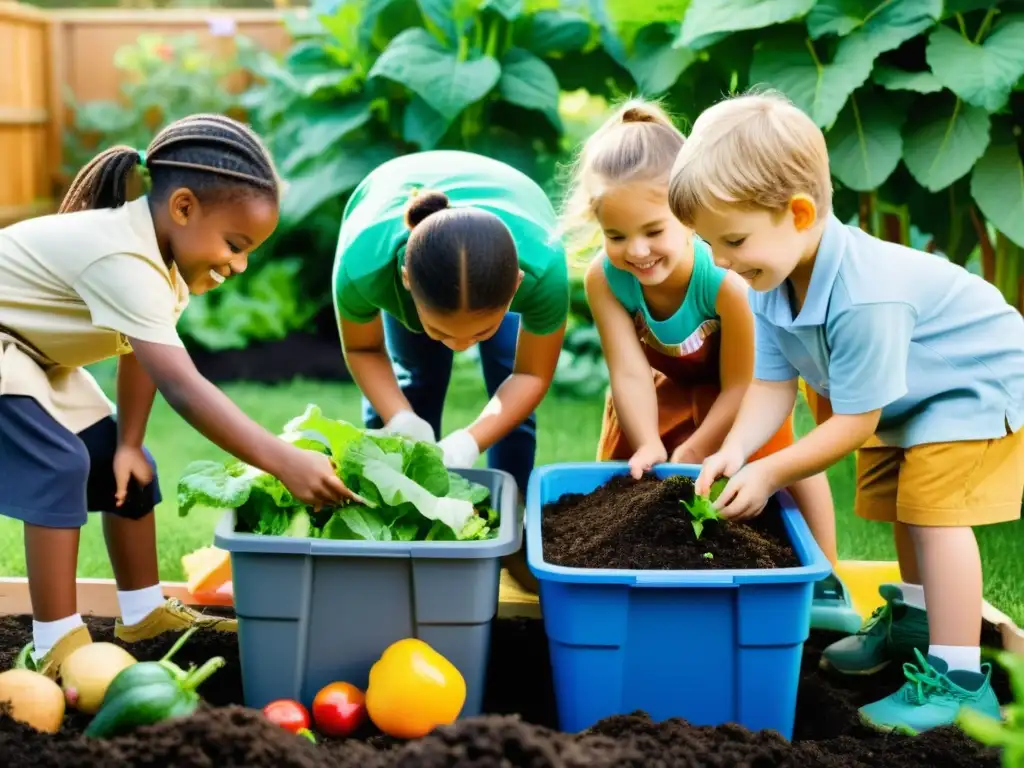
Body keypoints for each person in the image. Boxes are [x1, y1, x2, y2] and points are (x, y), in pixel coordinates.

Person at [674, 90, 1023, 732]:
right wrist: (735, 451)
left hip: (973, 383)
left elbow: (854, 423)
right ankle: (917, 624)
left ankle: (958, 681)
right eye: (710, 244)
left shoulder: (864, 295)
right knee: (899, 501)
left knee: (935, 514)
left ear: (800, 212)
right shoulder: (768, 278)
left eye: (733, 241)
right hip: (909, 396)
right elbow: (772, 389)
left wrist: (772, 473)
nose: (720, 261)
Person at [0, 114, 356, 677]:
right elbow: (185, 388)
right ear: (184, 207)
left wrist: (128, 443)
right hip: (5, 347)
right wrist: (283, 460)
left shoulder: (161, 262)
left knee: (128, 463)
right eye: (235, 244)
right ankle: (54, 643)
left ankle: (143, 614)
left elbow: (138, 352)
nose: (240, 264)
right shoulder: (121, 256)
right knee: (58, 464)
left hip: (31, 353)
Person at [560, 99, 851, 625]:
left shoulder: (726, 283)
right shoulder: (605, 280)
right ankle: (631, 575)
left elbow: (744, 385)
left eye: (653, 230)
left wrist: (699, 444)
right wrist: (650, 439)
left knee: (778, 453)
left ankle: (826, 575)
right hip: (663, 383)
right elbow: (628, 372)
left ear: (690, 218)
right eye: (616, 236)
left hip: (745, 386)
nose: (637, 251)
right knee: (633, 471)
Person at [332, 150, 569, 495]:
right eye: (440, 331)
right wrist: (400, 418)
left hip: (511, 211)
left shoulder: (543, 270)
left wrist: (470, 441)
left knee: (509, 387)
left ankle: (512, 516)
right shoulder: (364, 267)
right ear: (406, 280)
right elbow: (363, 348)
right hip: (392, 199)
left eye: (481, 331)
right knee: (413, 386)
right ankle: (390, 504)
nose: (459, 345)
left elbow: (530, 374)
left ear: (517, 284)